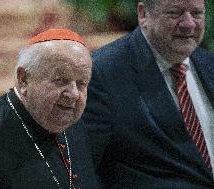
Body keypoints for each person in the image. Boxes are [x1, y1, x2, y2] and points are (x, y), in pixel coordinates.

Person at [0, 29, 100, 189]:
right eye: (60, 80)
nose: (73, 94)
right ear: (23, 79)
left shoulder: (76, 124)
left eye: (81, 83)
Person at [82, 0, 214, 188]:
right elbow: (84, 168)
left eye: (197, 13)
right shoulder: (102, 73)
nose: (188, 24)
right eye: (174, 13)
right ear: (143, 14)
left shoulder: (208, 64)